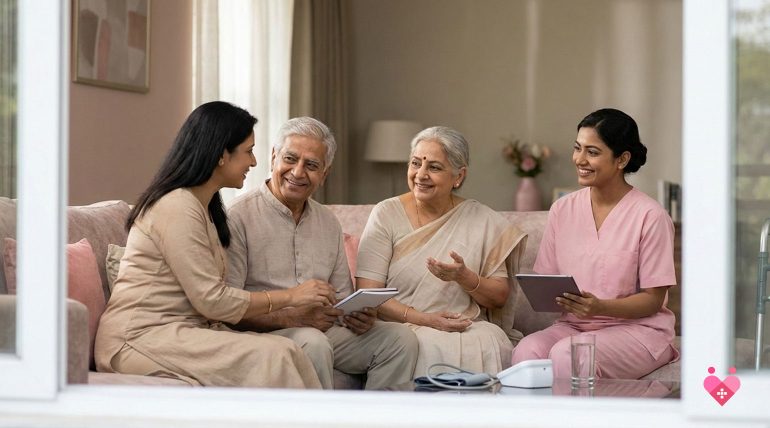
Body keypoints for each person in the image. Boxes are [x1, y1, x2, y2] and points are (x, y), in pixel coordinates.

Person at [94, 101, 327, 388]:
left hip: (181, 331)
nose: (253, 162)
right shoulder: (176, 206)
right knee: (275, 355)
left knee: (289, 350)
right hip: (137, 338)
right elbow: (212, 301)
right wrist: (292, 296)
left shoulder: (203, 207)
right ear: (221, 155)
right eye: (248, 151)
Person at [225, 116, 418, 390]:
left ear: (324, 174)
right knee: (313, 343)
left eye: (312, 165)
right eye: (290, 159)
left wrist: (356, 315)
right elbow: (230, 307)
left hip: (322, 331)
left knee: (400, 339)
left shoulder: (328, 221)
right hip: (265, 334)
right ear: (273, 157)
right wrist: (294, 317)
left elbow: (341, 297)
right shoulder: (237, 216)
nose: (298, 172)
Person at [510, 108, 679, 379]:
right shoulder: (562, 209)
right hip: (575, 326)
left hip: (638, 330)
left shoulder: (651, 216)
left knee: (570, 354)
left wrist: (601, 307)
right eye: (577, 148)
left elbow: (652, 300)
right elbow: (547, 279)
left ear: (622, 159)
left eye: (593, 152)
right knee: (525, 353)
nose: (579, 159)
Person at [355, 126, 527, 377]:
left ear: (458, 176)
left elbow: (499, 297)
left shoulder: (481, 219)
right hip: (402, 326)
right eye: (415, 164)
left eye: (434, 167)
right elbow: (369, 293)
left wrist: (464, 277)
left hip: (464, 324)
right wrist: (427, 319)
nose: (420, 174)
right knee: (419, 343)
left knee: (489, 338)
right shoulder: (386, 213)